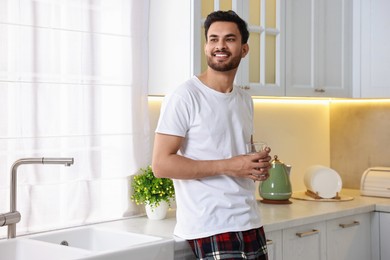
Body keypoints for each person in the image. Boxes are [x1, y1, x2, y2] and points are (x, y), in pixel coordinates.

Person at [152, 10, 271, 260]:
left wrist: (255, 166)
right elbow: (161, 165)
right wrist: (232, 166)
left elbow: (238, 156)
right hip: (209, 227)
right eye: (213, 39)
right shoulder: (184, 97)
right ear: (206, 47)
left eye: (229, 39)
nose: (220, 45)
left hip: (249, 221)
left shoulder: (244, 100)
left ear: (244, 49)